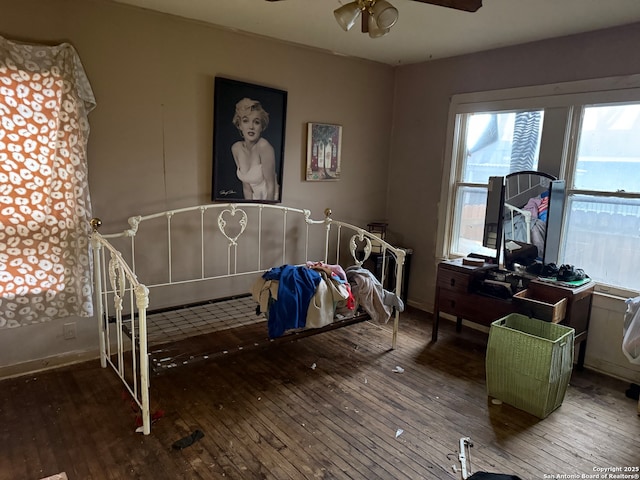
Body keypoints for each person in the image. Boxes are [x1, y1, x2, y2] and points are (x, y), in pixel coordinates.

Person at [231, 98, 279, 201]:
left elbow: (271, 187)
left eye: (256, 122)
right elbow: (246, 187)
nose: (251, 127)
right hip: (253, 200)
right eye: (245, 121)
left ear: (261, 127)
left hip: (269, 200)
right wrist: (249, 210)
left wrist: (265, 210)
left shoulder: (264, 147)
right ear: (239, 125)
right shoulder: (236, 148)